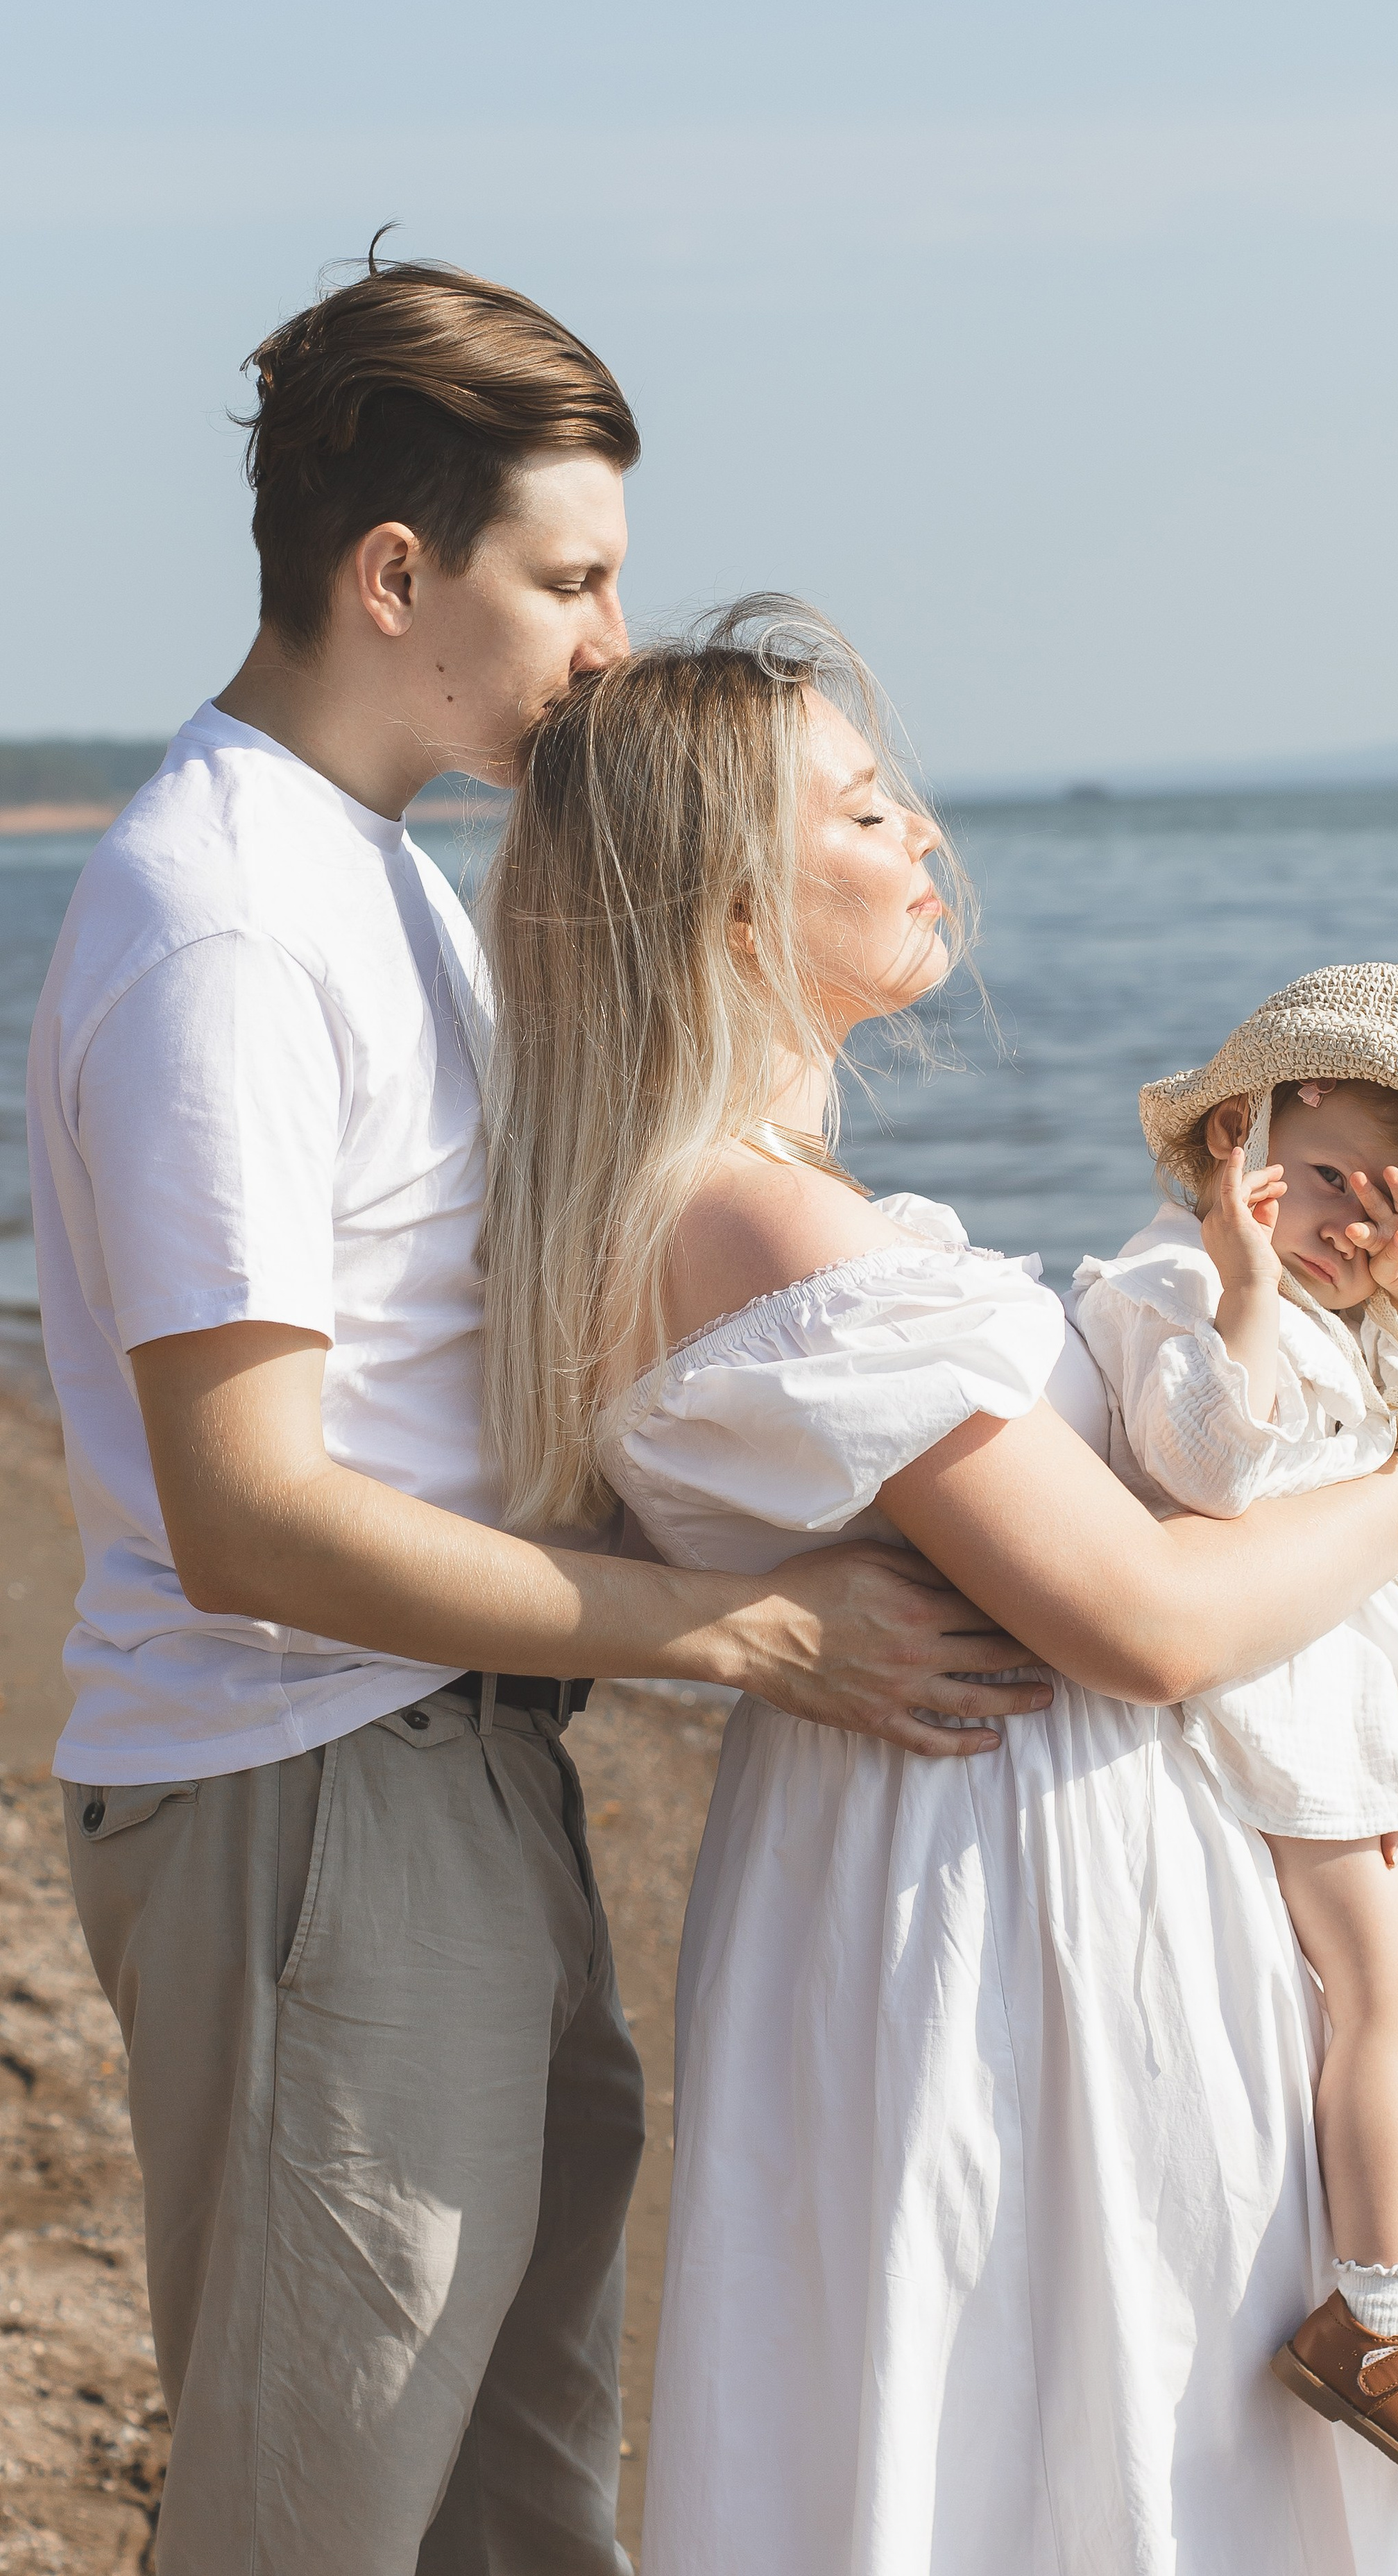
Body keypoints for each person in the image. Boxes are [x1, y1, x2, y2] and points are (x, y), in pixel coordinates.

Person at [24, 259, 1045, 2576]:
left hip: (459, 1763)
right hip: (304, 1796)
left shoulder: (376, 881)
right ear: (396, 575)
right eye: (568, 581)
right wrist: (754, 1632)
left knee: (521, 2516)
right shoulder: (224, 926)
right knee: (318, 2524)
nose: (608, 644)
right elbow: (254, 1514)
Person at [477, 599, 1398, 2572]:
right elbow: (1145, 1616)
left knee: (1025, 2427)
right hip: (1009, 1904)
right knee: (1100, 2434)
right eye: (872, 812)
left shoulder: (700, 1200)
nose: (926, 843)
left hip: (919, 1875)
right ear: (729, 900)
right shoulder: (774, 1224)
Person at [1073, 965, 1398, 2508]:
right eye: (1328, 1179)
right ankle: (1377, 2323)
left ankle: (1387, 2251)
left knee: (1338, 1999)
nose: (1357, 1222)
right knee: (1389, 1985)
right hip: (1250, 1688)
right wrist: (1246, 1290)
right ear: (1235, 1146)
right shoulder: (1166, 1290)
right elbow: (1206, 1470)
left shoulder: (1370, 1304)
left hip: (1322, 1687)